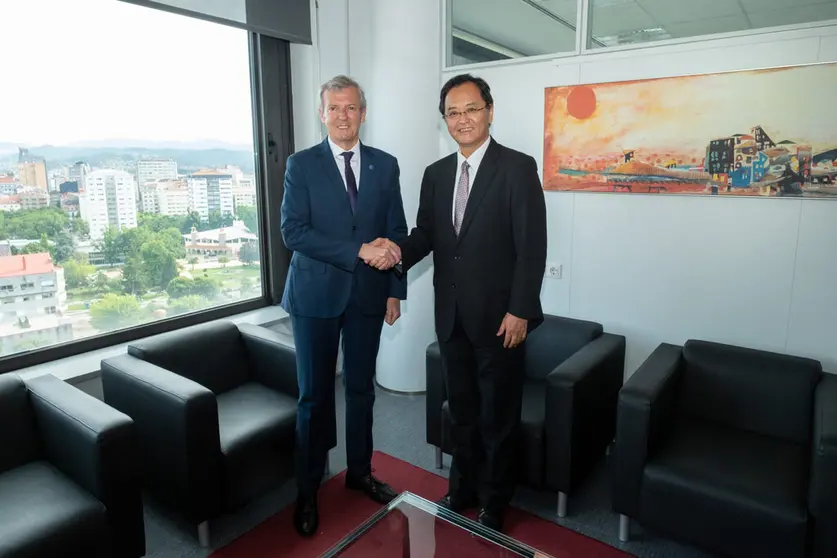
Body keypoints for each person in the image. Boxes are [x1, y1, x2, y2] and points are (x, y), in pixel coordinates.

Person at [371, 73, 547, 532]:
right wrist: (395, 252)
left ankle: (494, 499)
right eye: (453, 112)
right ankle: (462, 486)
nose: (463, 119)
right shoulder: (436, 174)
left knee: (498, 416)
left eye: (471, 109)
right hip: (450, 318)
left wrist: (521, 309)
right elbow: (427, 235)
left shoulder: (517, 168)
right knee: (463, 412)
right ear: (444, 120)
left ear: (489, 111)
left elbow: (532, 246)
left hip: (501, 319)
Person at [280, 75, 406, 537]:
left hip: (369, 296)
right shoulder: (301, 165)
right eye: (333, 108)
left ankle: (359, 473)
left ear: (363, 112)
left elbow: (396, 231)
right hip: (314, 296)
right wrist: (358, 250)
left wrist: (395, 289)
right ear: (322, 113)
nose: (341, 116)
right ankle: (308, 489)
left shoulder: (385, 165)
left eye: (350, 108)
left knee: (361, 391)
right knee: (313, 397)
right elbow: (294, 233)